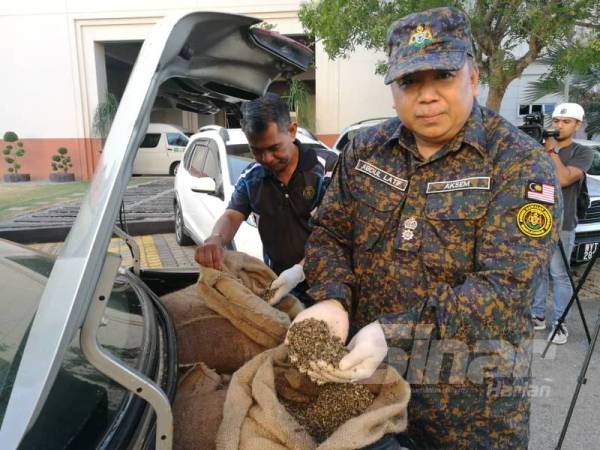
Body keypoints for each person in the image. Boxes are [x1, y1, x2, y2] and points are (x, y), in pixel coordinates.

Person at [289, 7, 561, 449]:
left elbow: (504, 289)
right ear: (394, 90)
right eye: (410, 82)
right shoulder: (366, 150)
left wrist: (389, 333)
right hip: (369, 395)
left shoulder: (519, 164)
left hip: (470, 414)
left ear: (472, 78)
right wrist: (332, 299)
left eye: (443, 76)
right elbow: (330, 234)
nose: (427, 95)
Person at [194, 94, 335, 305]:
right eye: (256, 151)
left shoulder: (328, 170)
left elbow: (338, 235)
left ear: (292, 131)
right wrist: (216, 238)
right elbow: (232, 215)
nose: (266, 158)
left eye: (273, 148)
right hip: (280, 287)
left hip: (330, 287)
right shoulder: (252, 178)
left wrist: (298, 271)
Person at [531, 102, 594, 344]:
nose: (559, 125)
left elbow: (564, 178)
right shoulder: (539, 149)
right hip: (536, 220)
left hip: (563, 222)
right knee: (538, 272)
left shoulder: (582, 152)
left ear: (577, 125)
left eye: (566, 121)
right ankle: (537, 316)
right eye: (556, 120)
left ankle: (560, 322)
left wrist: (550, 151)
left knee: (559, 274)